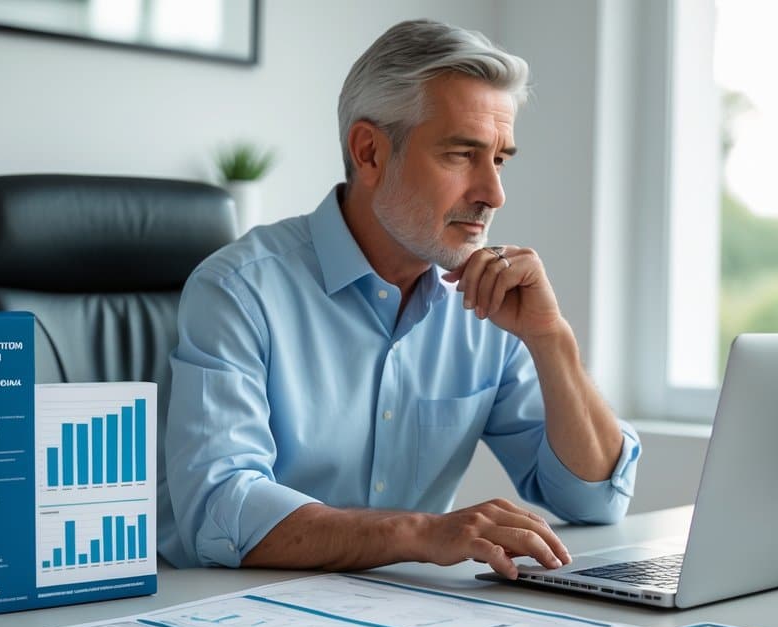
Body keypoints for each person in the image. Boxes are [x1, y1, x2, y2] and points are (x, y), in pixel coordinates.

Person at [159, 19, 640, 577]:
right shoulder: (240, 290)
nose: (494, 193)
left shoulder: (488, 302)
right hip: (218, 616)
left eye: (500, 158)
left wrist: (551, 338)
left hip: (403, 618)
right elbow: (220, 509)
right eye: (462, 155)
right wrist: (421, 532)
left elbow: (596, 498)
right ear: (369, 152)